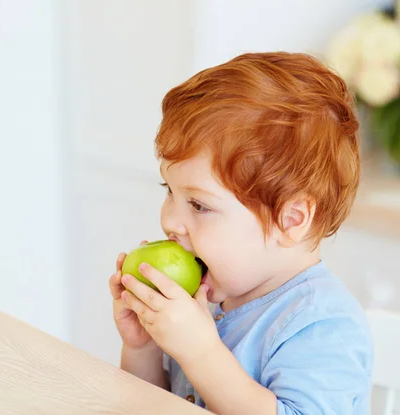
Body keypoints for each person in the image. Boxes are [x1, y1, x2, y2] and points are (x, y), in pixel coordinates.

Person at [108, 51, 373, 415]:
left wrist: (201, 353)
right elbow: (155, 407)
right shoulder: (212, 297)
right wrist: (144, 349)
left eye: (199, 205)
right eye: (170, 190)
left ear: (291, 219)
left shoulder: (321, 324)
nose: (169, 220)